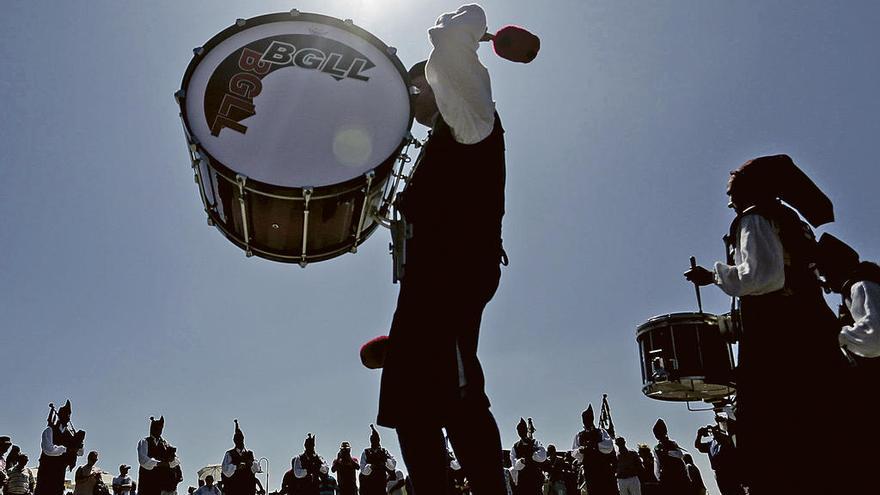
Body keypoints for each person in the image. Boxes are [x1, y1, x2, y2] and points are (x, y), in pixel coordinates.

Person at [375, 4, 512, 495]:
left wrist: (467, 29)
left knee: (456, 394)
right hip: (427, 283)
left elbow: (453, 41)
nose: (410, 99)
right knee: (409, 402)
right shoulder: (439, 141)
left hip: (453, 276)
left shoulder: (472, 118)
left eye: (417, 87)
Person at [684, 154, 844, 492]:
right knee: (825, 424)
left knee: (780, 432)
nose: (729, 201)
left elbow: (762, 277)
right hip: (813, 326)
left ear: (750, 191)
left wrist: (714, 275)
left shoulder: (754, 219)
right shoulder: (790, 218)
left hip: (780, 336)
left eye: (733, 192)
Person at [36, 401, 86, 495]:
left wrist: (79, 444)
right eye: (65, 414)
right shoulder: (49, 430)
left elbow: (80, 453)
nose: (67, 417)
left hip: (60, 472)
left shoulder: (70, 435)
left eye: (69, 415)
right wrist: (67, 449)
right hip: (46, 471)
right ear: (59, 415)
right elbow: (49, 450)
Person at [571, 406, 616, 495]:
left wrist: (595, 445)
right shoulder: (579, 435)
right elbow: (574, 453)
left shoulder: (601, 432)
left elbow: (609, 447)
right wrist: (581, 450)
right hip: (590, 471)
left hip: (604, 468)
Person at [694, 415, 742, 495]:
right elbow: (698, 446)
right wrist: (699, 435)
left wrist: (713, 431)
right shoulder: (711, 444)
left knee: (736, 491)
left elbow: (724, 441)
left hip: (729, 471)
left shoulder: (727, 439)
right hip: (719, 474)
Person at [137, 417, 182, 495]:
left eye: (160, 428)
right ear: (151, 428)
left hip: (161, 484)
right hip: (147, 481)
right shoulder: (144, 441)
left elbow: (177, 461)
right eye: (156, 428)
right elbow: (143, 461)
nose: (158, 430)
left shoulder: (165, 444)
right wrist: (159, 463)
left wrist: (170, 463)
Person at [222, 421, 264, 495]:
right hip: (234, 489)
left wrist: (251, 464)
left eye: (241, 439)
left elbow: (257, 469)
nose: (240, 441)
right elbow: (225, 470)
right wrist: (236, 467)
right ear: (234, 441)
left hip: (248, 489)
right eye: (238, 439)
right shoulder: (230, 454)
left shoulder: (249, 454)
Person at [509, 419, 546, 495]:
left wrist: (532, 455)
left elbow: (542, 457)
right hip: (523, 479)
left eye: (523, 429)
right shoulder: (515, 446)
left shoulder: (535, 443)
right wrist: (521, 461)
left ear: (526, 430)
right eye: (519, 430)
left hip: (535, 477)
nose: (521, 432)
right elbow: (514, 464)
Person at [651, 420, 688, 495]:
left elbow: (680, 455)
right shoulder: (656, 448)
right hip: (667, 477)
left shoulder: (672, 443)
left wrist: (667, 452)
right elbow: (657, 464)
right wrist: (659, 478)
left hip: (679, 475)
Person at [358, 427, 395, 495]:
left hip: (381, 484)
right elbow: (363, 471)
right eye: (373, 439)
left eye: (376, 439)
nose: (374, 440)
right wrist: (372, 466)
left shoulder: (384, 451)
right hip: (369, 485)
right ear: (370, 440)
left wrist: (385, 460)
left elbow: (392, 466)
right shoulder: (366, 452)